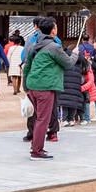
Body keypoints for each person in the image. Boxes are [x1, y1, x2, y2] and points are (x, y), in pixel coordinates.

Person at [22, 16, 74, 159]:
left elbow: (27, 65)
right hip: (45, 87)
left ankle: (36, 147)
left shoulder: (34, 45)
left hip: (32, 85)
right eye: (55, 27)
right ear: (52, 31)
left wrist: (25, 85)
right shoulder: (54, 46)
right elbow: (68, 63)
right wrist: (75, 55)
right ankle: (36, 151)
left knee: (39, 118)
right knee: (42, 120)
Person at [59, 52, 88, 127]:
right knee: (73, 103)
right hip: (75, 87)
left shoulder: (65, 62)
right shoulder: (79, 63)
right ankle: (71, 119)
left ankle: (64, 120)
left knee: (64, 104)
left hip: (65, 87)